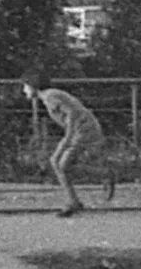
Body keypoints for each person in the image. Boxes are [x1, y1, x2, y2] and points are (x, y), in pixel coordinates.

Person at [27, 72, 112, 217]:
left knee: (59, 164)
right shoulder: (50, 95)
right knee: (57, 163)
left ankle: (102, 177)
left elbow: (71, 113)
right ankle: (74, 200)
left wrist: (68, 136)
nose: (24, 90)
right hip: (79, 129)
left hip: (82, 130)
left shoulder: (49, 96)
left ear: (33, 87)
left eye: (25, 86)